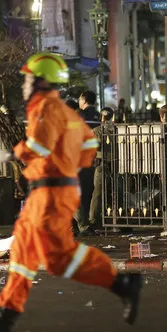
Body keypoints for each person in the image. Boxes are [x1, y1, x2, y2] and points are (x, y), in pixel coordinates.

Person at [0, 53, 142, 332]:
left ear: (41, 81)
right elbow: (89, 147)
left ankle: (122, 284)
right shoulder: (64, 112)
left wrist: (9, 153)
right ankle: (6, 317)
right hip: (48, 191)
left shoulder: (45, 108)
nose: (24, 84)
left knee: (58, 259)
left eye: (28, 79)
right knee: (22, 252)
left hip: (51, 193)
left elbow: (39, 148)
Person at [75, 90, 100, 235]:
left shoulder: (81, 117)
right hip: (95, 159)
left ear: (84, 100)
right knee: (90, 191)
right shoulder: (98, 116)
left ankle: (82, 224)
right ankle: (91, 221)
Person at [88, 107, 115, 232]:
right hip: (116, 165)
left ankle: (94, 220)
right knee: (116, 193)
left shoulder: (95, 131)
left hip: (101, 164)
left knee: (98, 194)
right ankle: (118, 220)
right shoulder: (117, 130)